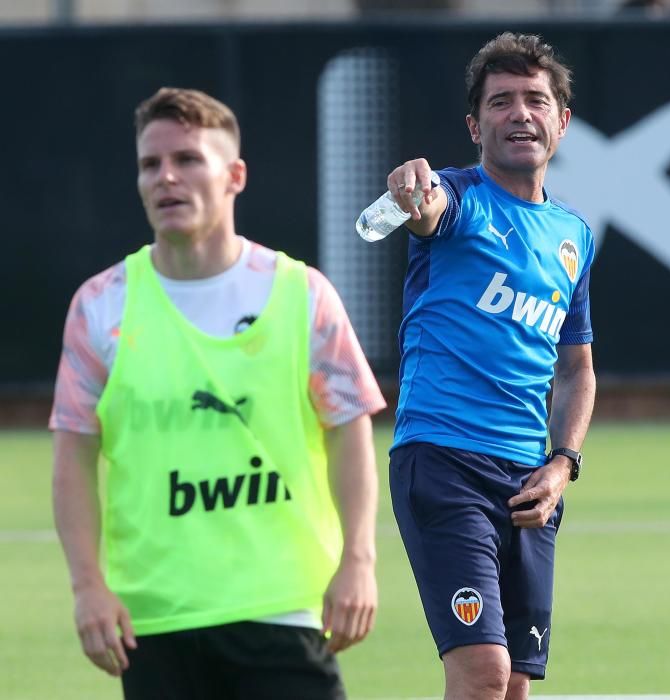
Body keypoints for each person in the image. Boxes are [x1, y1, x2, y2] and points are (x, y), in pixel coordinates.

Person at [50, 87, 385, 699]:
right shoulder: (100, 306)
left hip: (281, 608)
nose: (166, 178)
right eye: (150, 164)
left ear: (235, 176)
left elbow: (349, 430)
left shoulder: (301, 294)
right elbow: (72, 456)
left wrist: (358, 560)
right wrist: (86, 587)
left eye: (187, 159)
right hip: (153, 621)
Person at [381, 32, 596, 700]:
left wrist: (562, 464)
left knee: (513, 688)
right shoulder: (458, 196)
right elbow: (425, 208)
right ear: (476, 126)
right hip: (443, 463)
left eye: (536, 99)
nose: (520, 113)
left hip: (528, 480)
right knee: (480, 674)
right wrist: (413, 192)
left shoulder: (573, 236)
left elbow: (576, 368)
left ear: (561, 121)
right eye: (500, 102)